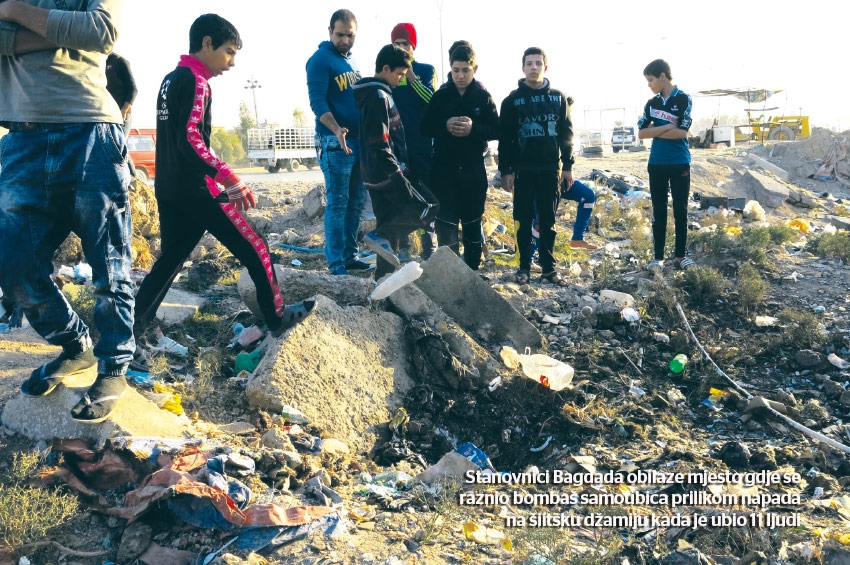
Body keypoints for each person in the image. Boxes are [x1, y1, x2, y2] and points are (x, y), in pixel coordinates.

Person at [131, 14, 315, 371]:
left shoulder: (170, 79)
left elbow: (176, 140)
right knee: (256, 247)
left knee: (171, 259)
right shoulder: (197, 80)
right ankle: (276, 319)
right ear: (206, 44)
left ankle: (133, 332)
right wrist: (228, 176)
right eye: (229, 53)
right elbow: (191, 137)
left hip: (168, 187)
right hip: (197, 190)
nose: (232, 63)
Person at [0, 0, 135, 423]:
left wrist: (11, 12)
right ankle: (76, 346)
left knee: (108, 263)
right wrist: (63, 32)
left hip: (91, 129)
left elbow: (101, 32)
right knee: (12, 261)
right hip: (22, 139)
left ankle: (114, 368)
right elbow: (84, 35)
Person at [499, 47, 595, 287]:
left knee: (549, 222)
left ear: (545, 67)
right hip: (522, 170)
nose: (533, 67)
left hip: (550, 169)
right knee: (523, 219)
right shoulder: (511, 100)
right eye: (529, 63)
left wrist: (568, 167)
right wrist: (506, 171)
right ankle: (523, 269)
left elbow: (566, 134)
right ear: (522, 67)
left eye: (538, 63)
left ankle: (549, 269)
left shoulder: (558, 98)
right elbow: (506, 139)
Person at [354, 45, 439, 280]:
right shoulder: (377, 96)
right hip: (387, 174)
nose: (401, 79)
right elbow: (378, 142)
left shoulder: (379, 92)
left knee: (389, 237)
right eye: (400, 74)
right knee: (429, 206)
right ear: (386, 68)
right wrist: (397, 175)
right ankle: (378, 234)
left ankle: (383, 281)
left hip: (379, 173)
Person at [421, 43, 499, 271]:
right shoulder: (441, 96)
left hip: (473, 172)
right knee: (446, 225)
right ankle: (451, 274)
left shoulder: (483, 98)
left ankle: (472, 272)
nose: (461, 76)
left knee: (473, 224)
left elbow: (497, 130)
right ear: (450, 69)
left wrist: (473, 129)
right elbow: (424, 128)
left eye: (465, 70)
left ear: (474, 69)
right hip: (443, 172)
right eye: (456, 70)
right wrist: (444, 125)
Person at [306, 9, 372, 276]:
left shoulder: (352, 62)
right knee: (337, 202)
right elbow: (317, 101)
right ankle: (336, 264)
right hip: (334, 142)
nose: (345, 40)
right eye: (340, 34)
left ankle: (350, 255)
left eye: (350, 35)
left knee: (356, 201)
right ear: (330, 31)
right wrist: (335, 129)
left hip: (358, 142)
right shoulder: (320, 60)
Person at [637, 59, 694, 271]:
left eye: (651, 80)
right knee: (659, 211)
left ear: (662, 76)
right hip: (657, 163)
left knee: (681, 210)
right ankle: (658, 258)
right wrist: (669, 126)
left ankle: (680, 256)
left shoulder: (684, 99)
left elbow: (682, 132)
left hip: (679, 161)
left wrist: (658, 129)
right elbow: (642, 133)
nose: (649, 85)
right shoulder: (652, 104)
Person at [389, 22, 438, 261]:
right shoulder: (390, 73)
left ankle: (429, 246)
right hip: (397, 147)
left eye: (405, 43)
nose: (401, 48)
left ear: (413, 45)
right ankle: (405, 248)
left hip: (422, 146)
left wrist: (410, 74)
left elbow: (432, 100)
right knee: (401, 196)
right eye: (397, 44)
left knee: (426, 196)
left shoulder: (426, 70)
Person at [105, 52, 137, 130]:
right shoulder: (98, 62)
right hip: (105, 116)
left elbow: (133, 90)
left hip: (121, 116)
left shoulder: (120, 61)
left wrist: (124, 111)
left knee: (119, 142)